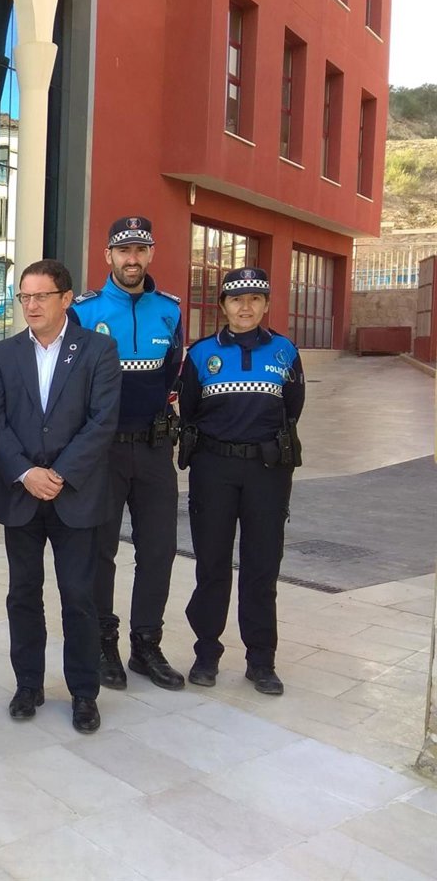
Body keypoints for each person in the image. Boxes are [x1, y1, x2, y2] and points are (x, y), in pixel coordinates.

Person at [0, 259, 121, 734]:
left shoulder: (98, 350)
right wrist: (26, 473)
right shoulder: (3, 354)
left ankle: (84, 692)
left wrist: (58, 474)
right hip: (21, 494)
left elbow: (102, 421)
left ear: (65, 299)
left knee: (79, 597)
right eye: (25, 296)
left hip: (74, 494)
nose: (32, 305)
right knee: (23, 594)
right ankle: (28, 685)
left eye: (42, 296)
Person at [68, 216, 185, 691]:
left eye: (139, 249)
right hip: (104, 452)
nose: (131, 259)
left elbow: (172, 373)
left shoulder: (169, 310)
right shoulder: (84, 311)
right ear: (108, 256)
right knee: (101, 552)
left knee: (159, 550)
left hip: (155, 449)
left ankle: (146, 644)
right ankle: (103, 643)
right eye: (123, 250)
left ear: (150, 253)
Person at [178, 267, 304, 696]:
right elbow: (190, 409)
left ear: (266, 304)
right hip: (213, 469)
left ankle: (261, 661)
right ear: (223, 306)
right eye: (236, 299)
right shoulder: (201, 354)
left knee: (262, 566)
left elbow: (293, 408)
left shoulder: (285, 351)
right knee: (211, 564)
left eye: (254, 298)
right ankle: (206, 653)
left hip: (267, 471)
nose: (245, 306)